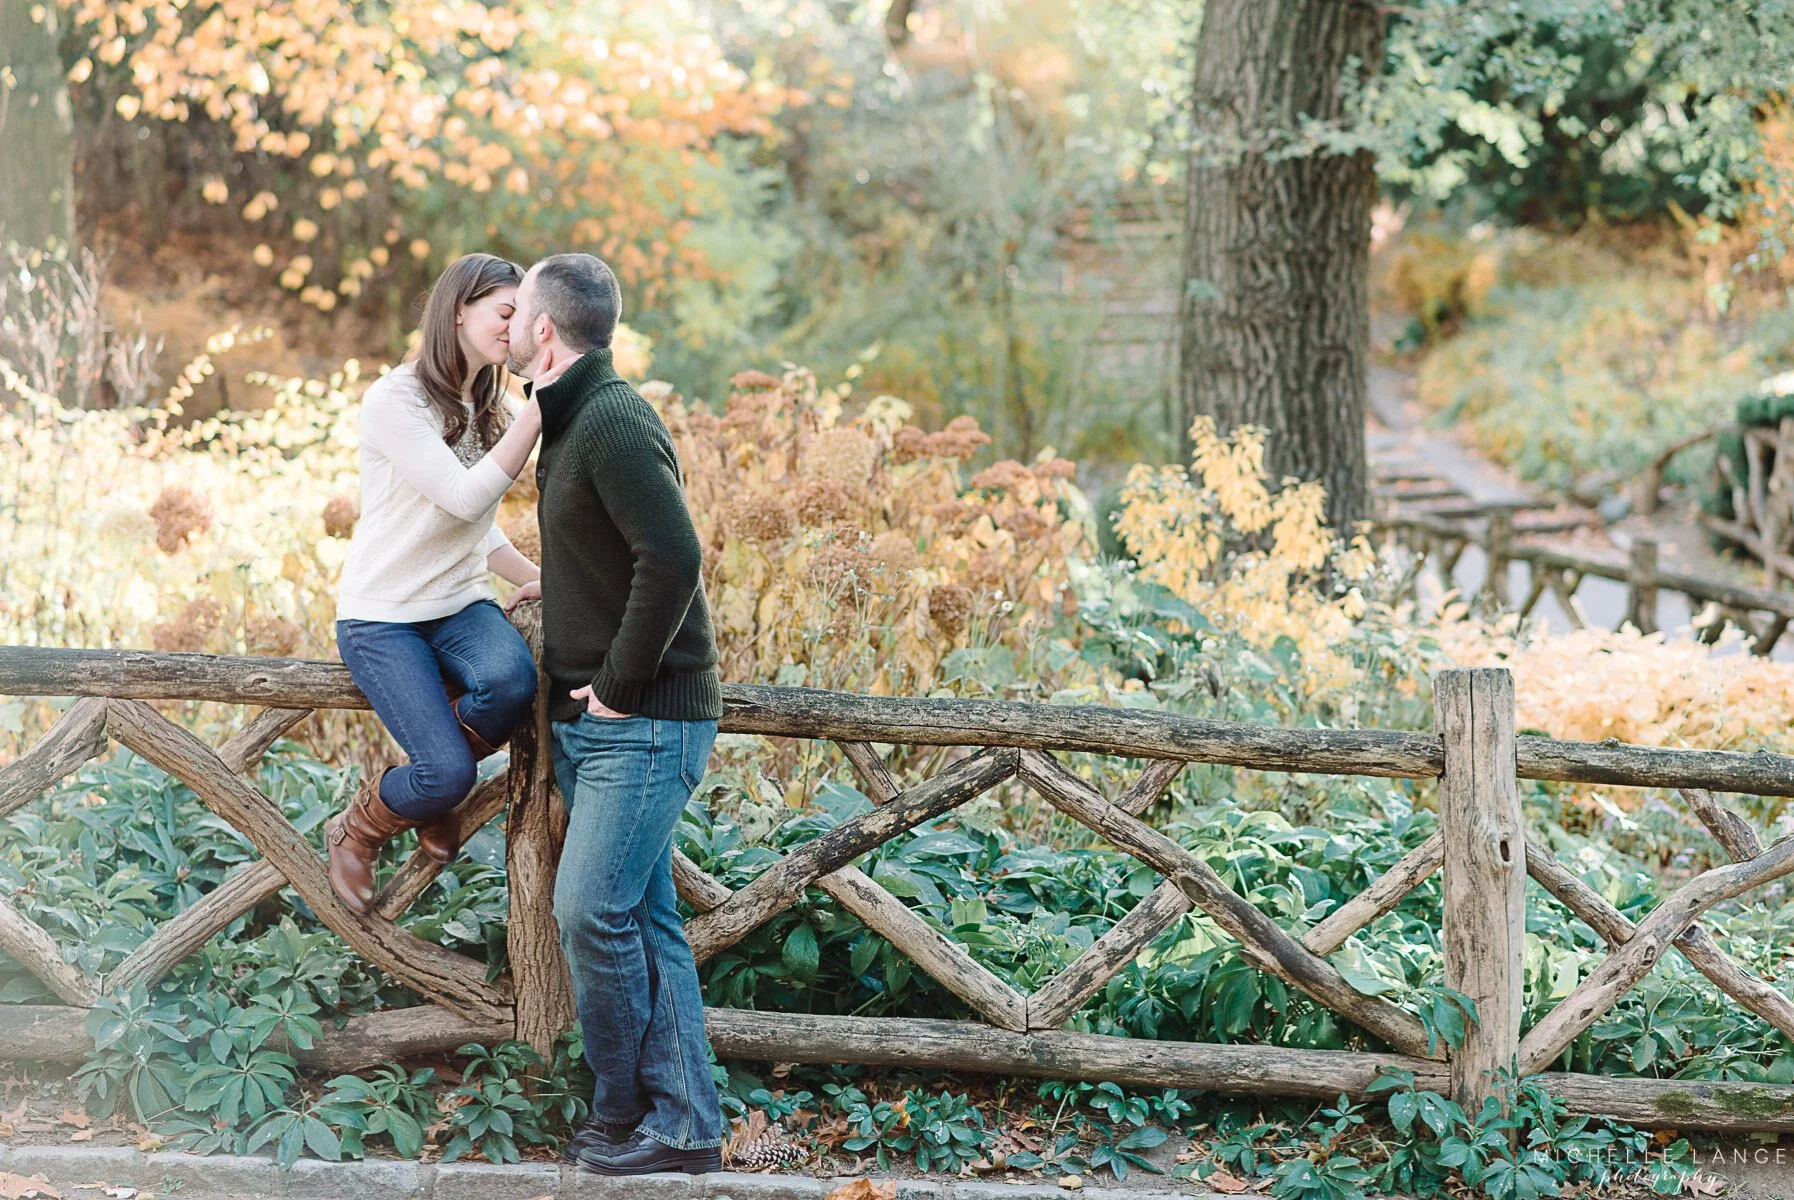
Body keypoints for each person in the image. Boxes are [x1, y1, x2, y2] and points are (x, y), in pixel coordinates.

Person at [506, 252, 725, 1175]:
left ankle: (627, 1105)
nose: (509, 322)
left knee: (590, 908)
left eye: (519, 311)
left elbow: (674, 557)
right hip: (607, 723)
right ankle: (683, 1125)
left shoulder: (612, 420)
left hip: (643, 718)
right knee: (642, 918)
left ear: (545, 333)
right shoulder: (571, 419)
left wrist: (622, 683)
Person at [328, 252, 543, 917]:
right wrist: (540, 415)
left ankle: (433, 785)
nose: (516, 330)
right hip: (383, 617)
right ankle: (362, 825)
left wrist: (537, 578)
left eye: (523, 318)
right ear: (458, 310)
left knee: (513, 684)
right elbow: (457, 497)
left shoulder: (494, 404)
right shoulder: (397, 400)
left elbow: (477, 526)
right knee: (448, 770)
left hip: (458, 605)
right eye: (505, 313)